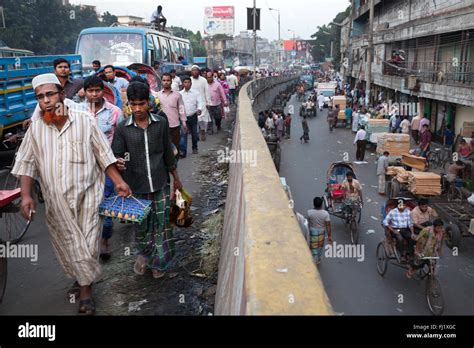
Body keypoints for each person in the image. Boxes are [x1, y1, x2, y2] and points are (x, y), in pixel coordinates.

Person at [12, 73, 131, 315]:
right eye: (40, 97)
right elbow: (26, 163)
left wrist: (118, 182)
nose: (46, 100)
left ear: (62, 94)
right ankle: (82, 276)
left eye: (50, 94)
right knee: (68, 246)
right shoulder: (36, 129)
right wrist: (26, 196)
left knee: (87, 244)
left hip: (88, 194)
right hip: (56, 202)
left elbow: (103, 155)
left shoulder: (85, 121)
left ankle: (86, 291)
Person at [112, 81, 182, 280]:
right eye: (133, 104)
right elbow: (117, 155)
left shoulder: (160, 123)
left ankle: (158, 263)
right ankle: (144, 255)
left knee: (162, 225)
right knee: (142, 227)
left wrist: (176, 179)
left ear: (149, 103)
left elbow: (168, 153)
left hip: (160, 182)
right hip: (136, 187)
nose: (137, 109)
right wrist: (120, 163)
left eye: (141, 104)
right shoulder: (123, 128)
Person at [82, 75, 124, 261]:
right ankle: (88, 240)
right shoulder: (76, 111)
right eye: (90, 91)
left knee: (106, 201)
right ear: (85, 92)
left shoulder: (115, 112)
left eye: (97, 90)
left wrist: (121, 159)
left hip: (108, 164)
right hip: (83, 165)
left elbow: (122, 137)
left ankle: (104, 238)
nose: (94, 94)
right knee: (85, 203)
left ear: (103, 91)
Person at [157, 73, 187, 158]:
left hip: (175, 126)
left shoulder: (177, 95)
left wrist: (184, 121)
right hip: (161, 126)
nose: (166, 82)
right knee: (163, 147)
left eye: (168, 80)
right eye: (164, 80)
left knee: (175, 147)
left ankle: (174, 164)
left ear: (171, 81)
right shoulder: (157, 95)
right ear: (161, 82)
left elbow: (181, 108)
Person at [179, 76, 204, 156]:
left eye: (188, 82)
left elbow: (200, 102)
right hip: (183, 117)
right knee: (183, 134)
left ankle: (194, 147)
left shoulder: (196, 93)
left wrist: (199, 109)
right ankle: (183, 151)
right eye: (185, 82)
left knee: (194, 133)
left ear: (191, 83)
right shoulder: (179, 94)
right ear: (183, 84)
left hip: (193, 116)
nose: (187, 84)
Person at [307, 197, 334, 265]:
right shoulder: (325, 213)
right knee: (320, 246)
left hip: (312, 231)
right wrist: (329, 236)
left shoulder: (309, 212)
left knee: (313, 245)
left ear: (313, 204)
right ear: (321, 204)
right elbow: (328, 225)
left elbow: (307, 223)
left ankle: (314, 258)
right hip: (322, 231)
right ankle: (318, 258)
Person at [190, 66, 211, 141]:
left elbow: (207, 91)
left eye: (196, 70)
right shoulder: (189, 80)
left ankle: (203, 131)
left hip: (202, 102)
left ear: (199, 71)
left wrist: (208, 102)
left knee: (203, 118)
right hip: (192, 102)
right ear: (191, 72)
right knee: (195, 118)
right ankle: (196, 134)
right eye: (193, 70)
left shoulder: (203, 80)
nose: (195, 72)